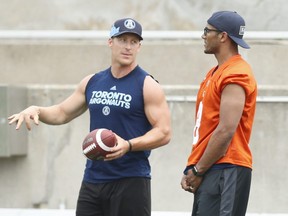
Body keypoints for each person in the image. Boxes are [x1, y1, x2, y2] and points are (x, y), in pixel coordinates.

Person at [8, 18, 171, 216]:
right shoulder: (93, 82)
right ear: (110, 42)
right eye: (123, 40)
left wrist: (128, 145)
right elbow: (62, 113)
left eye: (134, 42)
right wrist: (37, 110)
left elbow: (164, 133)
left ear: (139, 47)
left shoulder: (147, 85)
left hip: (131, 180)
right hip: (93, 179)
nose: (128, 46)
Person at [180, 11, 257, 216]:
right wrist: (193, 166)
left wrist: (198, 170)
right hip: (211, 167)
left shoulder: (236, 72)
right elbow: (209, 127)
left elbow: (225, 130)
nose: (203, 35)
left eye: (207, 30)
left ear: (223, 36)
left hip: (227, 166)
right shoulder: (215, 72)